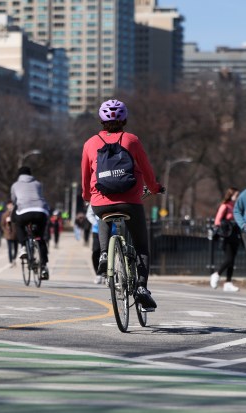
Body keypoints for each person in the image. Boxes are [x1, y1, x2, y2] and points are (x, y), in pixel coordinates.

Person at [81, 99, 164, 311]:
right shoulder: (132, 140)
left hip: (100, 201)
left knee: (103, 217)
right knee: (142, 246)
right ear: (124, 119)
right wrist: (154, 188)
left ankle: (104, 254)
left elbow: (85, 176)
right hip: (130, 202)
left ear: (101, 120)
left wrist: (87, 195)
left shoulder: (90, 143)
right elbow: (146, 170)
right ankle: (142, 288)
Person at [11, 166, 51, 279]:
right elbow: (41, 196)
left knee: (18, 224)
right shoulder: (38, 184)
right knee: (40, 238)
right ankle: (43, 267)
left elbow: (14, 200)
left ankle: (23, 246)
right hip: (40, 211)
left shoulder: (15, 185)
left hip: (24, 211)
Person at [209, 187, 241, 292]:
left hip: (235, 235)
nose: (237, 197)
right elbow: (217, 221)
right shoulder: (225, 206)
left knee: (232, 261)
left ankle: (228, 282)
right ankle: (216, 274)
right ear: (231, 195)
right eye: (236, 195)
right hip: (226, 236)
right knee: (229, 259)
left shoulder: (236, 206)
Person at [1, 201, 18, 267]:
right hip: (8, 234)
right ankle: (10, 261)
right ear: (7, 206)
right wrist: (5, 230)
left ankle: (14, 258)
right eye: (9, 205)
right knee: (10, 248)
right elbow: (2, 224)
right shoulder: (4, 214)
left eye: (11, 205)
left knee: (16, 248)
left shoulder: (16, 214)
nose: (10, 206)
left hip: (15, 233)